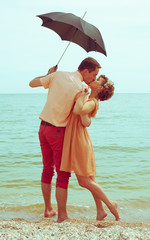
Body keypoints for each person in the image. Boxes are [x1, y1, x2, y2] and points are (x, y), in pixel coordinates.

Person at [29, 57, 101, 222]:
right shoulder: (81, 88)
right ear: (85, 71)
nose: (94, 79)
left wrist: (48, 74)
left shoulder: (58, 75)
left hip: (43, 128)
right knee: (63, 174)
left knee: (47, 169)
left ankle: (48, 209)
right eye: (94, 75)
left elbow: (32, 83)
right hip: (57, 131)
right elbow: (81, 115)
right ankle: (62, 215)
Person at [60, 75, 120, 221]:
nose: (93, 80)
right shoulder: (88, 98)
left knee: (83, 181)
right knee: (90, 179)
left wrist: (83, 94)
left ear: (99, 88)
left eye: (97, 80)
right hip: (78, 138)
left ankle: (110, 204)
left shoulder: (92, 102)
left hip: (80, 141)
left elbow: (78, 110)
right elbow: (84, 119)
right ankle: (100, 211)